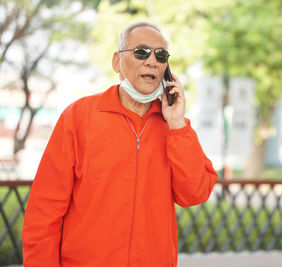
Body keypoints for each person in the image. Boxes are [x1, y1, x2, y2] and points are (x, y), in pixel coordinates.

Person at [22, 22, 218, 267]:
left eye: (161, 55)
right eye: (141, 52)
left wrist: (177, 125)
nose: (152, 61)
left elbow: (195, 194)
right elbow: (44, 210)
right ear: (117, 62)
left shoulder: (177, 127)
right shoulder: (79, 116)